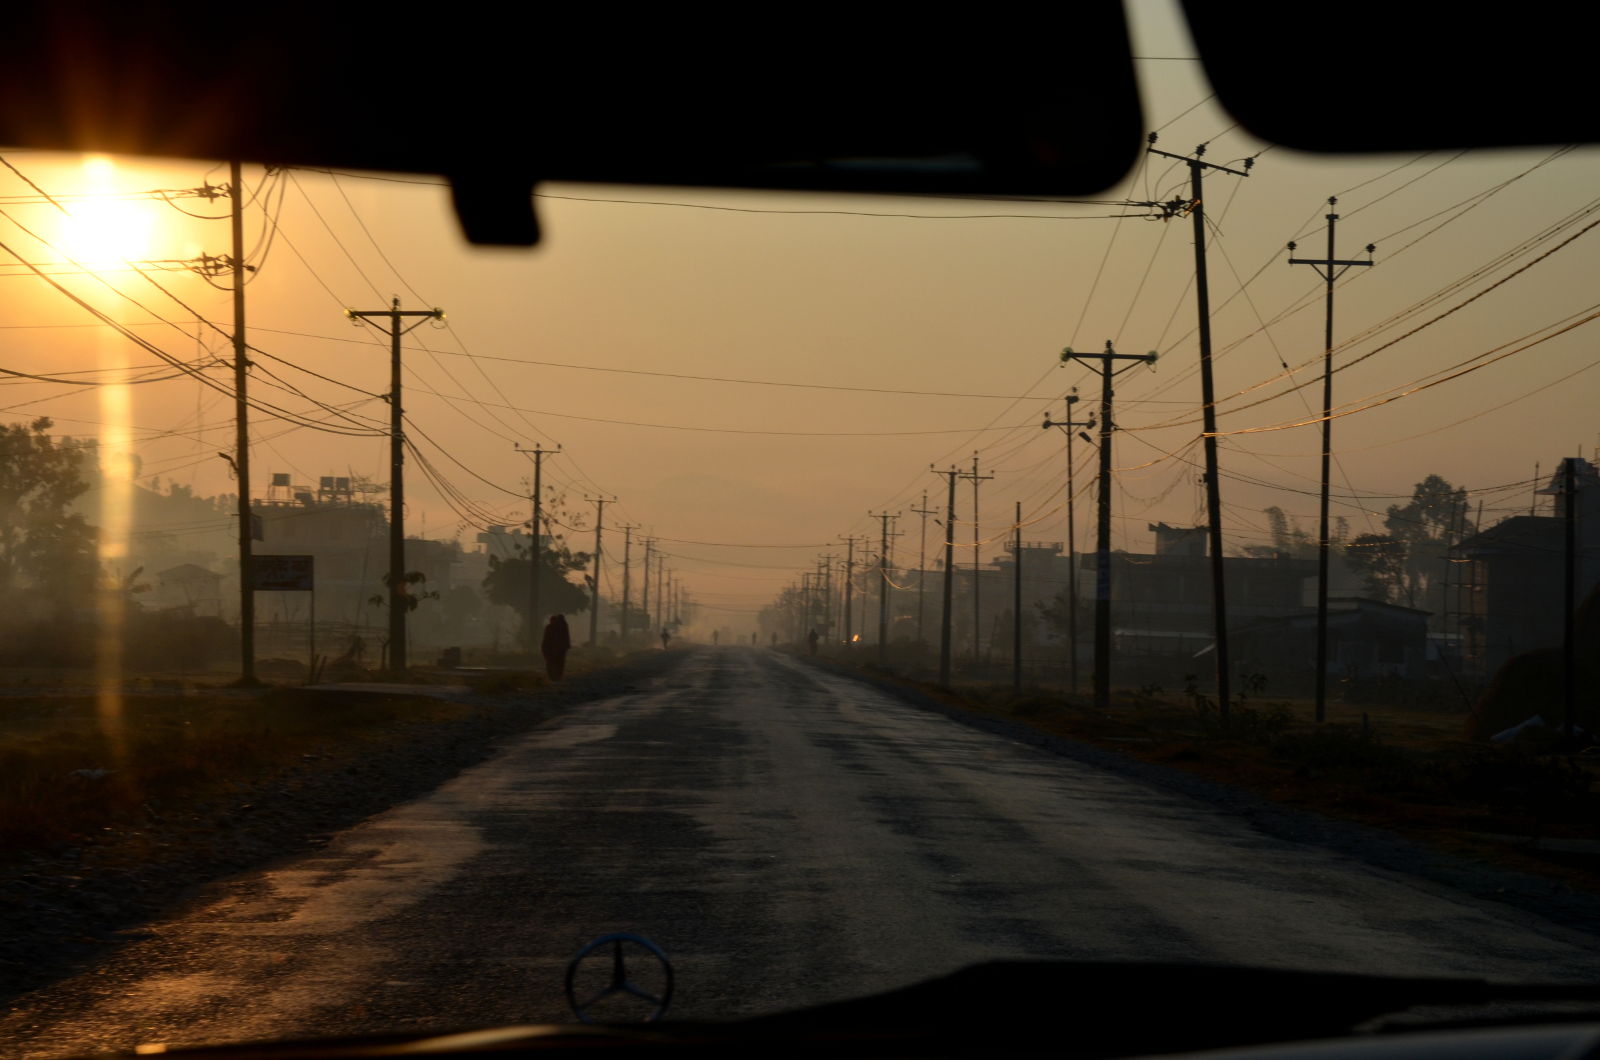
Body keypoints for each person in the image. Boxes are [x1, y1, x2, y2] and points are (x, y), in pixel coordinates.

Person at [540, 613, 571, 681]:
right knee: (559, 663)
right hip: (558, 648)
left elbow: (546, 638)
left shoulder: (551, 627)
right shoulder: (562, 626)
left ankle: (553, 676)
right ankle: (557, 676)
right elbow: (566, 637)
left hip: (553, 648)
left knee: (552, 662)